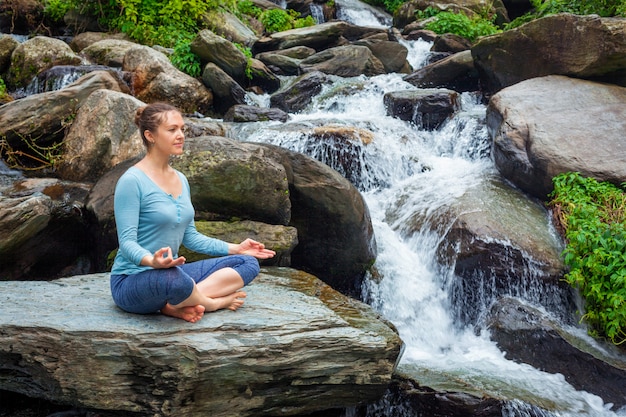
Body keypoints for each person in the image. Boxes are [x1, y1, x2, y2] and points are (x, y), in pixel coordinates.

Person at [110, 102, 275, 323]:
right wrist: (152, 262)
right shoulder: (132, 181)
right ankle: (211, 303)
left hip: (171, 274)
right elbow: (127, 243)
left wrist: (236, 248)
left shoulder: (181, 179)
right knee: (173, 278)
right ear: (150, 135)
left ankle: (177, 302)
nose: (180, 136)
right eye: (172, 130)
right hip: (132, 281)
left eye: (182, 129)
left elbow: (191, 237)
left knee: (247, 263)